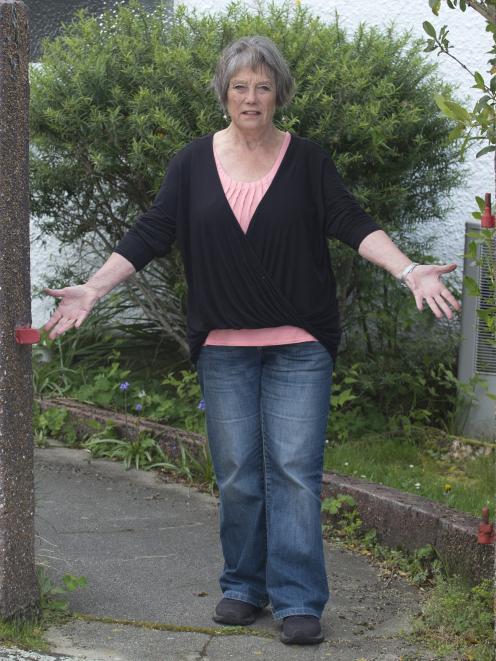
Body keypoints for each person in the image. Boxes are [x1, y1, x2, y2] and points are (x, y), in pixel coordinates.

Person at [44, 36, 460, 646]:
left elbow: (350, 221)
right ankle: (243, 584)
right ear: (224, 94)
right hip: (223, 344)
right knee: (238, 471)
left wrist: (408, 270)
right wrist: (94, 290)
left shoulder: (308, 161)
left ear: (279, 95)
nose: (252, 97)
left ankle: (297, 599)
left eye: (263, 86)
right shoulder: (191, 163)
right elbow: (153, 230)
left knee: (294, 469)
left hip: (300, 342)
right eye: (240, 86)